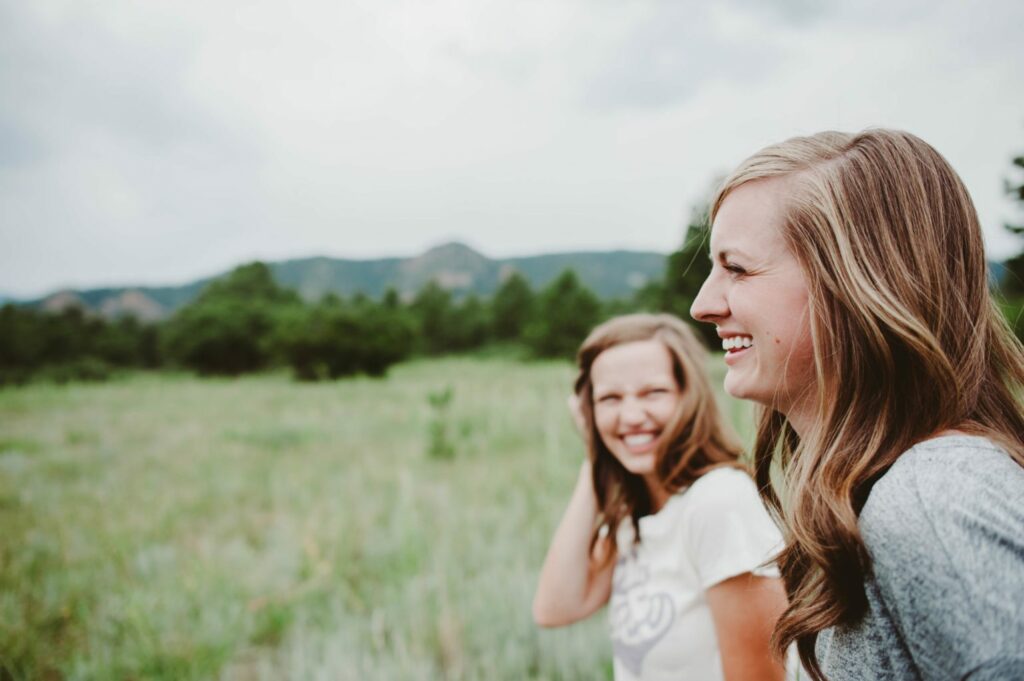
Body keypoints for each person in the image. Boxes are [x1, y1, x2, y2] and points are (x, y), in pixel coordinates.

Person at [690, 129, 1024, 681]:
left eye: (738, 269)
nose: (703, 304)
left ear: (856, 283)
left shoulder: (933, 497)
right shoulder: (883, 493)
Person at [532, 313, 789, 681]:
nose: (632, 415)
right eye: (610, 398)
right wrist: (595, 457)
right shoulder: (635, 514)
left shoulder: (718, 503)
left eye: (653, 392)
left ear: (690, 397)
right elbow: (555, 608)